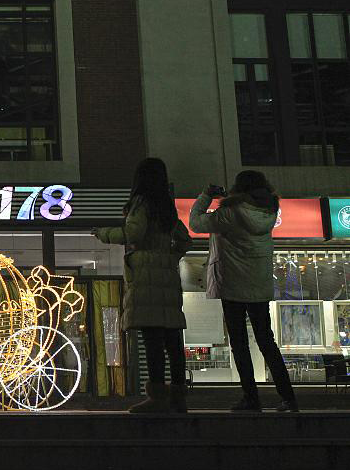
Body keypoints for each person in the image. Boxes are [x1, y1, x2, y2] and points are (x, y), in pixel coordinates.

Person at [189, 170, 299, 412]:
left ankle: (251, 398)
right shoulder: (268, 212)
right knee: (266, 342)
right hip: (259, 287)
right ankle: (288, 398)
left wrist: (206, 196)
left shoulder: (229, 213)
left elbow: (196, 223)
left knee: (239, 344)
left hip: (232, 286)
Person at [94, 158, 192, 413]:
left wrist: (103, 233)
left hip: (146, 276)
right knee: (172, 340)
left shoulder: (140, 204)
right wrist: (170, 257)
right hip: (167, 277)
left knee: (152, 339)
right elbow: (184, 240)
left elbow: (133, 234)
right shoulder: (167, 209)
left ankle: (157, 396)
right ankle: (178, 396)